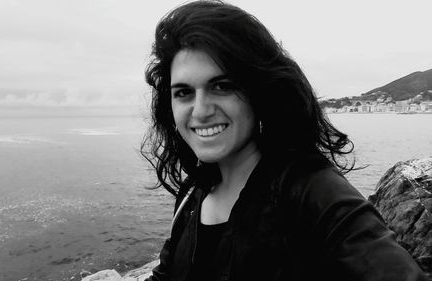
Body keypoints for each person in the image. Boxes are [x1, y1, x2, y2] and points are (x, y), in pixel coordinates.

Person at [141, 1, 428, 280]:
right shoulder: (192, 194)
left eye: (222, 86)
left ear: (259, 91)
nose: (201, 111)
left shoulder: (313, 193)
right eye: (183, 92)